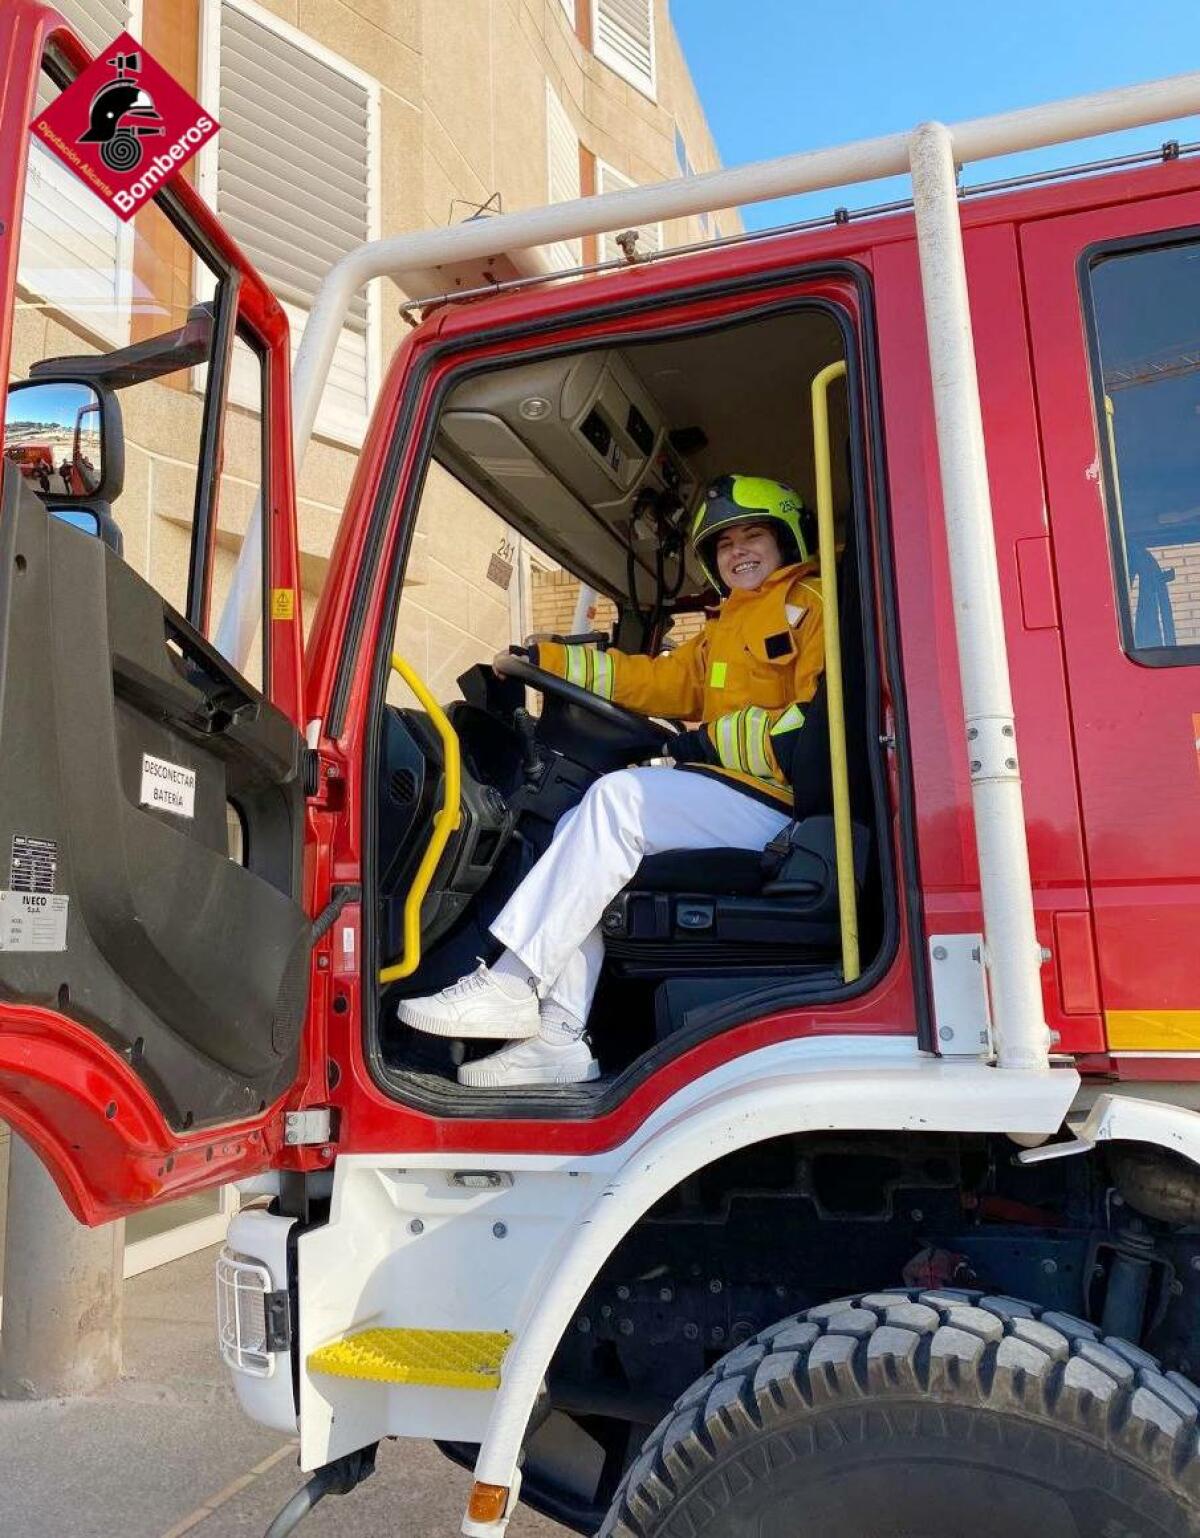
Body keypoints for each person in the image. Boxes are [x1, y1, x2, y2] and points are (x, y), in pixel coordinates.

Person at [398, 474, 826, 1088]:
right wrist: (552, 661)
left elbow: (812, 725)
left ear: (787, 538)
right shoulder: (727, 625)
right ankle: (559, 1037)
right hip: (739, 793)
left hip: (782, 806)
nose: (739, 551)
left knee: (616, 802)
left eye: (753, 535)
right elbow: (658, 681)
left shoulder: (811, 604)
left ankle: (511, 984)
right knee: (584, 834)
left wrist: (706, 740)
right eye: (724, 544)